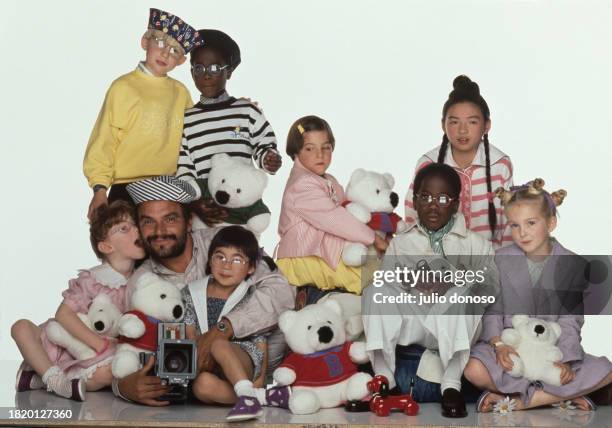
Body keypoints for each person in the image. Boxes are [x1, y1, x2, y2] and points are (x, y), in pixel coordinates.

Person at [112, 176, 295, 406]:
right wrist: (123, 387)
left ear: (188, 221)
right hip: (196, 397)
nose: (160, 230)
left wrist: (223, 329)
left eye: (169, 218)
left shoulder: (224, 243)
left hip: (269, 377)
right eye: (148, 221)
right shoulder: (140, 284)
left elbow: (281, 292)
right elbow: (125, 345)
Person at [363, 163, 499, 418]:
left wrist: (453, 281)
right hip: (416, 320)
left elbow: (491, 288)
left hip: (455, 320)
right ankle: (385, 379)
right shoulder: (401, 244)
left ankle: (451, 384)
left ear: (456, 203)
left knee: (463, 293)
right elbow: (387, 281)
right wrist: (411, 280)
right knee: (375, 289)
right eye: (425, 197)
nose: (433, 205)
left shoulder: (476, 244)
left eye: (443, 198)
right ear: (415, 201)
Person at [465, 179, 612, 412]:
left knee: (606, 370)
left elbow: (570, 320)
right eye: (514, 225)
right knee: (472, 368)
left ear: (551, 223)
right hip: (510, 351)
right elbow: (493, 310)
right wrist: (500, 345)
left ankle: (519, 401)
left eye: (531, 223)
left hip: (550, 353)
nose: (522, 233)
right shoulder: (500, 259)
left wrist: (565, 362)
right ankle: (556, 397)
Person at [12, 201, 145, 401]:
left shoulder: (141, 282)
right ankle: (54, 378)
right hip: (69, 343)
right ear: (106, 246)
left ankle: (42, 379)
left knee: (112, 372)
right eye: (125, 229)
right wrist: (97, 344)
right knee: (20, 327)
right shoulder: (93, 279)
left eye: (136, 225)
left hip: (100, 357)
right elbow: (63, 315)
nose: (136, 230)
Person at [84, 8, 200, 220]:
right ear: (145, 42)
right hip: (126, 187)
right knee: (127, 246)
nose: (166, 53)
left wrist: (233, 106)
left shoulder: (180, 93)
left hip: (167, 186)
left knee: (164, 248)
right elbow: (105, 139)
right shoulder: (123, 88)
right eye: (161, 43)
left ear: (182, 61)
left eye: (175, 51)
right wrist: (100, 189)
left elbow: (196, 131)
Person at [183, 226, 289, 421]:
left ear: (250, 268)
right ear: (210, 260)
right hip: (208, 363)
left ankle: (250, 396)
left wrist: (261, 378)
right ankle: (258, 398)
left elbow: (260, 336)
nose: (227, 265)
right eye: (220, 257)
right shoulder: (192, 292)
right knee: (201, 386)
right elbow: (189, 333)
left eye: (237, 259)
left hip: (244, 356)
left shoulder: (251, 294)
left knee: (218, 344)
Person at [276, 115, 388, 298]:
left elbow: (349, 211)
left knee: (375, 267)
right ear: (295, 152)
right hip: (302, 258)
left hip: (321, 253)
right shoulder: (301, 185)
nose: (320, 155)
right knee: (365, 277)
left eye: (326, 147)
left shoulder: (329, 180)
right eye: (309, 148)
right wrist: (373, 238)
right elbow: (335, 219)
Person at [404, 75, 514, 248]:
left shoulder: (500, 164)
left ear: (486, 126)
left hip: (490, 263)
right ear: (443, 125)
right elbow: (412, 217)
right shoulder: (429, 164)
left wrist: (504, 266)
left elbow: (508, 222)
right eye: (454, 122)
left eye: (472, 122)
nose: (463, 130)